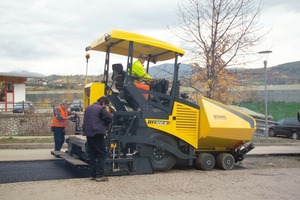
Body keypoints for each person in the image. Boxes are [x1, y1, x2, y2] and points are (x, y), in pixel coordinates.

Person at [82, 96, 112, 182]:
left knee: (92, 154)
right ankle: (100, 175)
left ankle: (93, 175)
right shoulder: (101, 109)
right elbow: (109, 118)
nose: (105, 107)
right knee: (102, 154)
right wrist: (104, 125)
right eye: (106, 105)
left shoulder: (88, 108)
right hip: (97, 133)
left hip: (89, 133)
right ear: (104, 103)